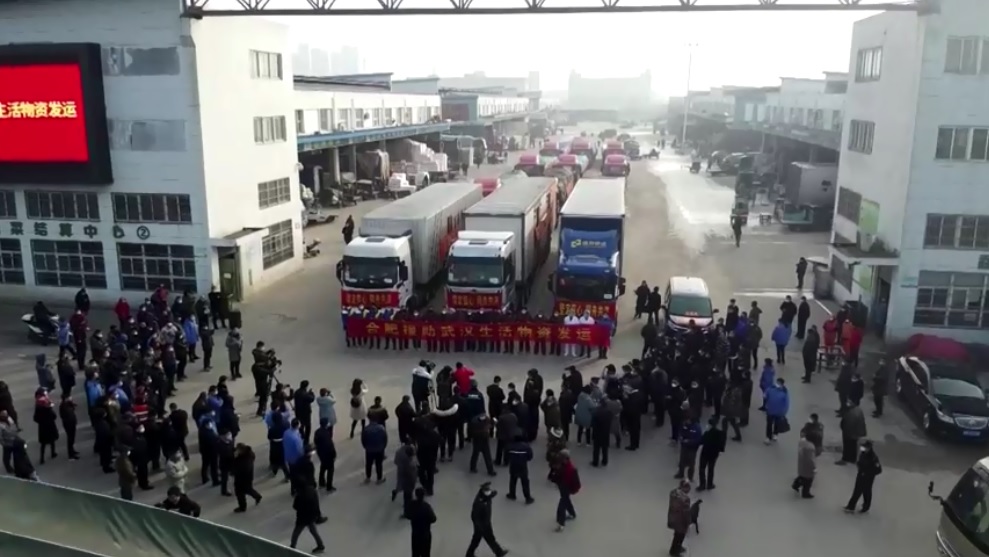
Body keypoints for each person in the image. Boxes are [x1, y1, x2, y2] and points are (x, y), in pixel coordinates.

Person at [465, 482, 509, 557]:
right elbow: (475, 517)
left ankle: (469, 554)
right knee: (489, 538)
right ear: (483, 491)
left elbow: (492, 494)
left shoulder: (485, 496)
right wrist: (480, 527)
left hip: (486, 522)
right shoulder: (479, 503)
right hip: (482, 525)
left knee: (477, 539)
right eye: (487, 490)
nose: (489, 491)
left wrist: (494, 493)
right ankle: (499, 552)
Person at [844, 440, 882, 513]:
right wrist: (859, 465)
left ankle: (865, 507)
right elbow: (860, 462)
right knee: (856, 491)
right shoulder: (863, 454)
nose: (863, 449)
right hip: (860, 476)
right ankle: (851, 506)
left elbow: (878, 470)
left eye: (865, 447)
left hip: (868, 478)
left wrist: (867, 472)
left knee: (866, 492)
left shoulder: (873, 458)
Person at [289, 482, 326, 554]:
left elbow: (295, 506)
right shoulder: (312, 490)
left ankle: (292, 547)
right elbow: (316, 501)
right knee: (313, 531)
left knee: (296, 533)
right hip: (311, 515)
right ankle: (320, 545)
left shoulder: (300, 495)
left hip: (302, 517)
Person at [549, 450, 580, 531]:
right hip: (563, 486)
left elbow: (575, 481)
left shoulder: (571, 469)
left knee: (562, 505)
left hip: (566, 487)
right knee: (566, 500)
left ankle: (561, 523)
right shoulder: (562, 466)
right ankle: (572, 514)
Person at [407, 487, 436, 557]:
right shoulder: (427, 507)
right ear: (423, 496)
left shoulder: (412, 505)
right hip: (425, 535)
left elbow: (407, 515)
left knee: (415, 554)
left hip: (415, 534)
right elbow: (433, 519)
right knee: (426, 554)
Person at [698, 417, 725, 491]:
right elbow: (721, 446)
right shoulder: (720, 433)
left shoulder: (707, 432)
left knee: (702, 468)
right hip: (713, 454)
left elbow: (701, 441)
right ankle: (710, 484)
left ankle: (702, 484)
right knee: (711, 469)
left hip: (705, 453)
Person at [505, 434, 534, 504]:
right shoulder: (526, 447)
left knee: (513, 480)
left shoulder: (510, 446)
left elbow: (506, 456)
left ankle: (512, 494)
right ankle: (528, 498)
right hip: (523, 466)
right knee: (525, 482)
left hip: (513, 466)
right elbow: (530, 456)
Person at [667, 480, 692, 556]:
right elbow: (686, 512)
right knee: (680, 536)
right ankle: (675, 551)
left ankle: (675, 548)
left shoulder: (673, 493)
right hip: (681, 521)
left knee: (677, 534)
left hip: (673, 517)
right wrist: (688, 521)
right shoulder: (685, 499)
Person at [838, 401, 867, 465]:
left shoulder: (851, 412)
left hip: (849, 433)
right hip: (855, 433)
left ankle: (845, 459)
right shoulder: (858, 410)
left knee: (847, 446)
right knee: (853, 446)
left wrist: (844, 429)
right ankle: (852, 459)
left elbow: (848, 423)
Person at [362, 416, 388, 484]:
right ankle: (379, 479)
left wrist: (366, 447)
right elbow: (385, 439)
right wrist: (383, 447)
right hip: (379, 449)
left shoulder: (366, 429)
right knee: (379, 464)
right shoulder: (381, 428)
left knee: (368, 464)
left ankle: (368, 478)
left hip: (369, 449)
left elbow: (363, 440)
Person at [313, 418, 337, 492]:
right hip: (328, 454)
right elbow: (330, 445)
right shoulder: (327, 433)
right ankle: (329, 486)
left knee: (323, 467)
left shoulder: (317, 432)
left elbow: (315, 442)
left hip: (321, 453)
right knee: (330, 470)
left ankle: (321, 482)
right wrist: (334, 454)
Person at [764, 378, 790, 444]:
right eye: (777, 382)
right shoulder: (771, 388)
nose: (777, 384)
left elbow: (786, 403)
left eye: (779, 383)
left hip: (778, 412)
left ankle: (775, 434)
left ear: (782, 384)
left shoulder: (784, 392)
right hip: (771, 410)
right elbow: (765, 395)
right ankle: (768, 436)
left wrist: (784, 412)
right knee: (769, 424)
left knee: (776, 424)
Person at [792, 429, 817, 499]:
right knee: (808, 480)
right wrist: (814, 467)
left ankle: (796, 484)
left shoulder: (801, 442)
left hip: (802, 463)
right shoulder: (810, 447)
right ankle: (805, 493)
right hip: (808, 467)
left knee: (802, 476)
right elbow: (811, 459)